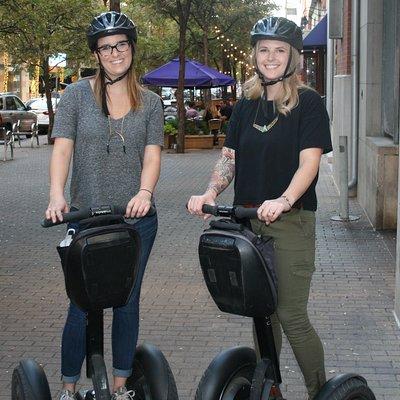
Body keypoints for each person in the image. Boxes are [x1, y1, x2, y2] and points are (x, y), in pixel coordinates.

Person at [187, 16, 332, 400]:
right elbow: (229, 158)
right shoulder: (246, 106)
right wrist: (209, 193)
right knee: (262, 316)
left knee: (291, 316)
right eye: (264, 50)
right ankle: (271, 391)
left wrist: (284, 200)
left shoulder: (309, 103)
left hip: (290, 223)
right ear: (255, 55)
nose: (271, 57)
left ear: (293, 57)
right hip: (247, 224)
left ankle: (322, 392)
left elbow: (310, 163)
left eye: (279, 50)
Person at [45, 11, 164, 400]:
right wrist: (56, 195)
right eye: (106, 47)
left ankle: (120, 386)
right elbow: (63, 149)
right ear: (96, 53)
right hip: (86, 216)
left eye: (121, 45)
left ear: (131, 48)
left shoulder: (150, 101)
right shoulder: (76, 95)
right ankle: (68, 388)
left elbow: (152, 155)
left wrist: (145, 193)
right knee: (81, 305)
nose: (115, 53)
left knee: (127, 301)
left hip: (135, 221)